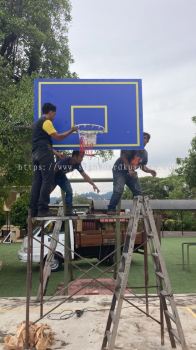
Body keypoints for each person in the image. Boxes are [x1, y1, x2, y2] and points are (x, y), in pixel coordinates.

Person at [30, 102, 77, 217]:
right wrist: (71, 130)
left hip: (36, 154)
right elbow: (58, 137)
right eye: (54, 114)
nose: (54, 116)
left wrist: (56, 153)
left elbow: (43, 142)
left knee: (38, 181)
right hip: (44, 154)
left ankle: (33, 209)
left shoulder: (37, 124)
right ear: (50, 112)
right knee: (48, 180)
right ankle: (43, 209)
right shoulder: (46, 122)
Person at [108, 132, 156, 214]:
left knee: (138, 192)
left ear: (147, 141)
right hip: (119, 170)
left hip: (131, 173)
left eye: (145, 138)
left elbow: (142, 166)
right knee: (119, 188)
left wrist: (150, 171)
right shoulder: (132, 146)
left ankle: (136, 210)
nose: (143, 139)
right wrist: (129, 169)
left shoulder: (144, 154)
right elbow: (123, 156)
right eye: (142, 137)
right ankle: (111, 209)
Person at [54, 151, 100, 215]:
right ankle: (40, 207)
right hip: (53, 176)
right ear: (75, 156)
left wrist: (93, 185)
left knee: (69, 191)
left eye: (82, 157)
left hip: (62, 177)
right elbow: (54, 170)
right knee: (47, 190)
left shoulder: (77, 164)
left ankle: (68, 211)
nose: (82, 159)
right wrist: (49, 181)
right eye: (81, 157)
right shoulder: (64, 161)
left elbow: (85, 176)